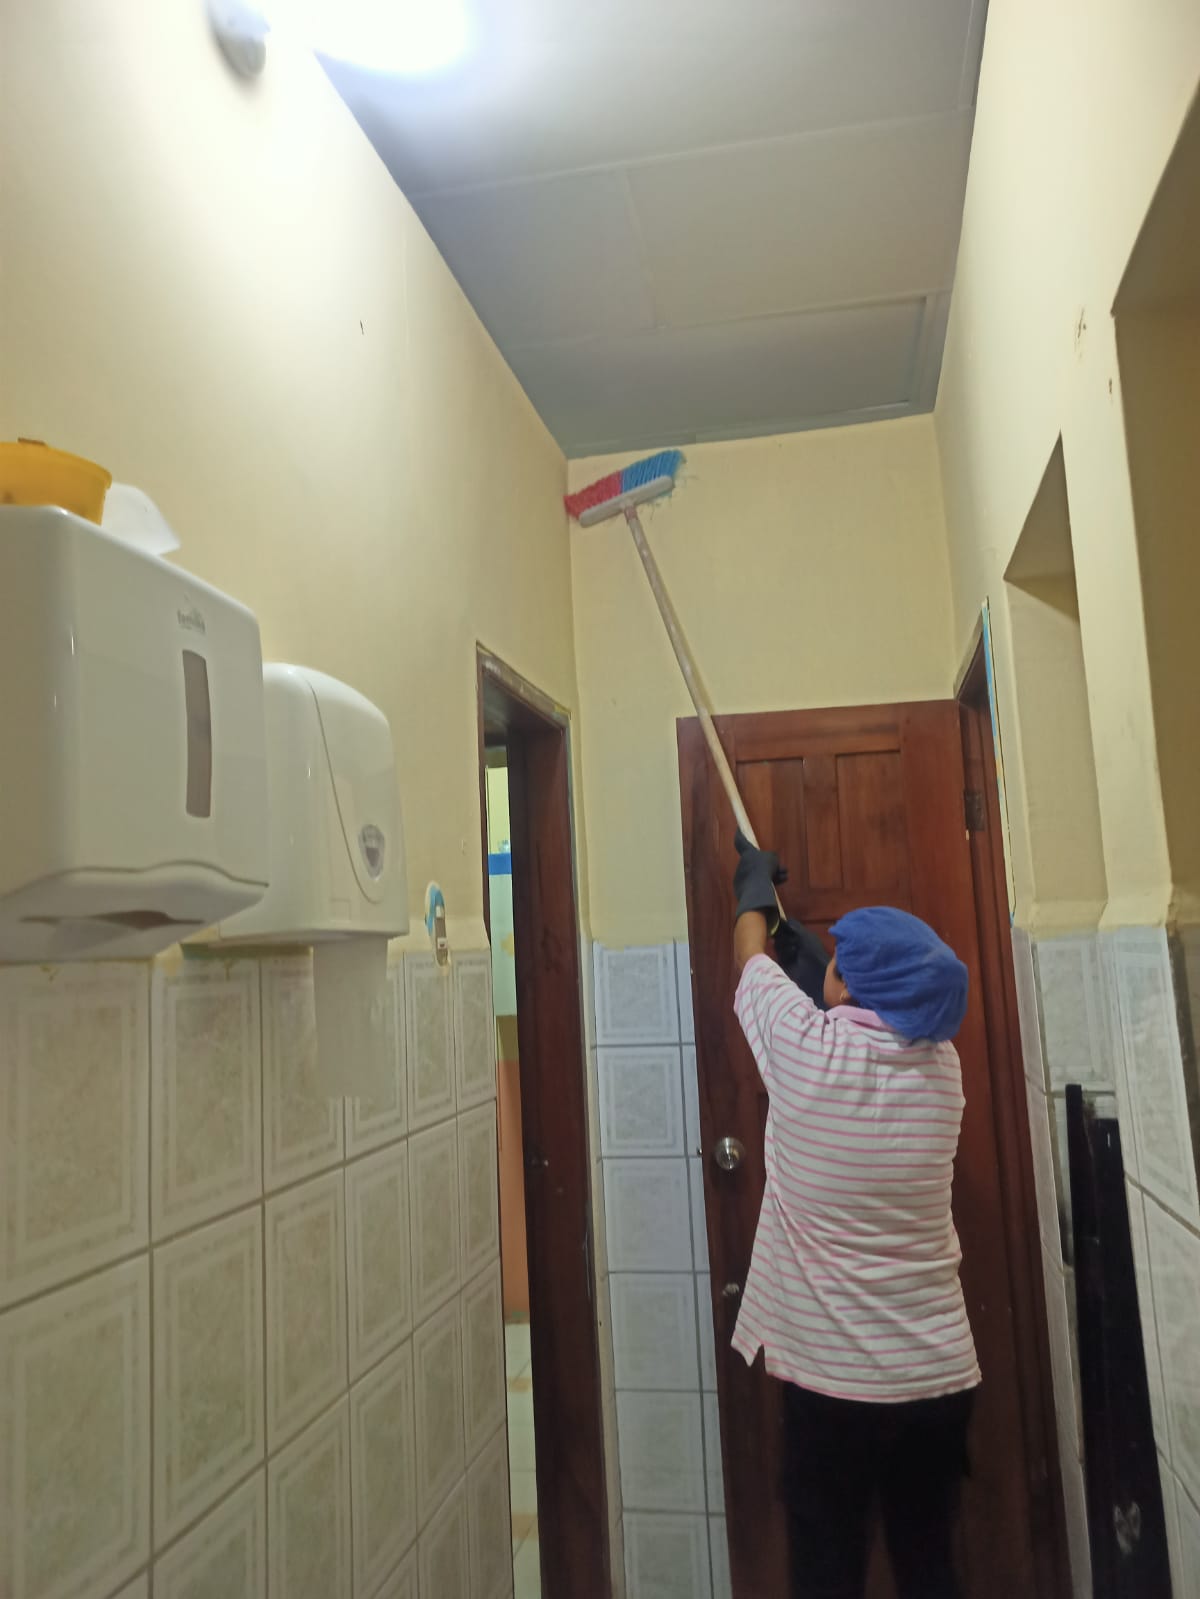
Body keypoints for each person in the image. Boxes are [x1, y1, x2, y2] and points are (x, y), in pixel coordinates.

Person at [730, 832, 981, 1599]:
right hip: (936, 1379)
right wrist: (821, 962)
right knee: (929, 1567)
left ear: (845, 990)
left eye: (838, 962)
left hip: (832, 1388)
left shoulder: (803, 1051)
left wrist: (753, 889)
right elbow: (869, 1018)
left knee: (827, 1574)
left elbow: (751, 961)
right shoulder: (944, 1071)